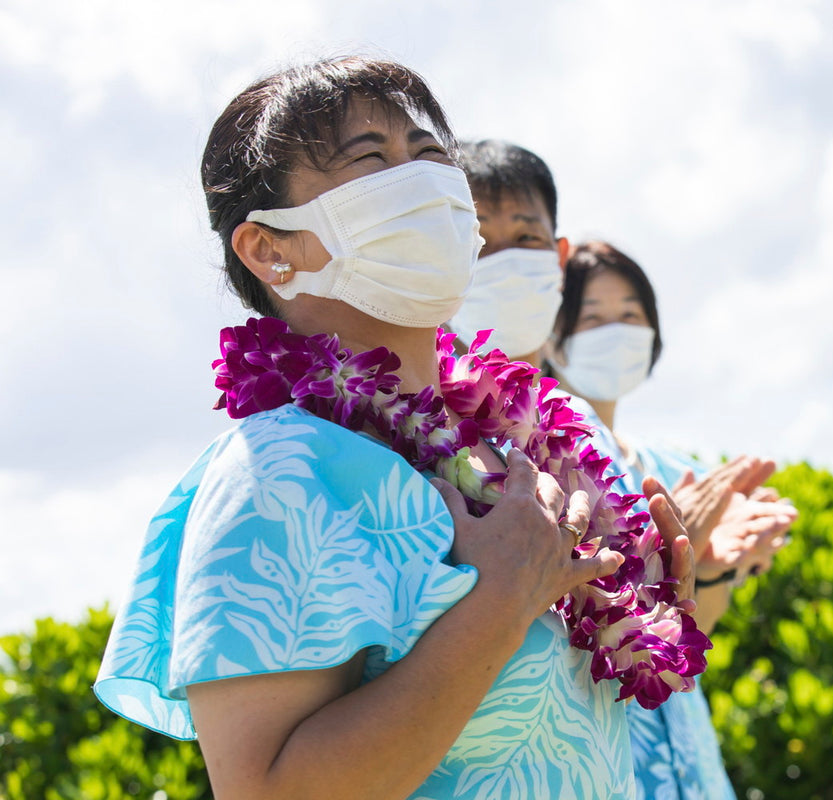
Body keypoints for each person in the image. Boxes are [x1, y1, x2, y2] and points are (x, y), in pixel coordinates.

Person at [93, 57, 697, 799]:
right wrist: (501, 601)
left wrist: (639, 593)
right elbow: (266, 792)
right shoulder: (275, 471)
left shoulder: (516, 449)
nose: (421, 181)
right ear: (269, 249)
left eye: (429, 154)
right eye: (372, 160)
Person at [454, 140, 795, 800]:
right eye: (477, 241)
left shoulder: (591, 439)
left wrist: (703, 566)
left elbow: (666, 635)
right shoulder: (442, 437)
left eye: (523, 236)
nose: (501, 262)